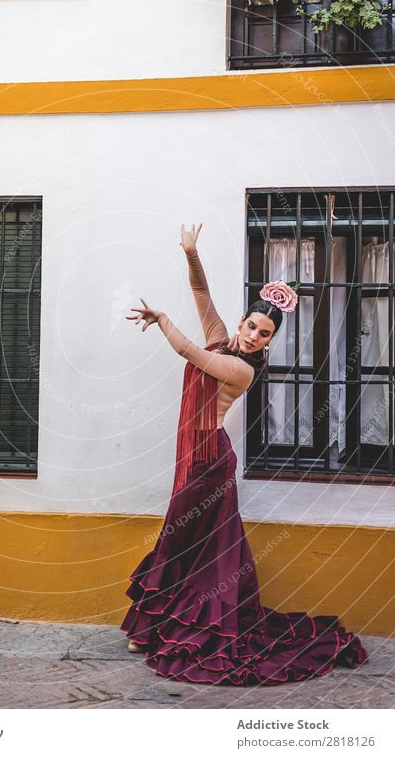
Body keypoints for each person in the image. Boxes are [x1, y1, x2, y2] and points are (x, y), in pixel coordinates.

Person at [120, 223, 368, 686]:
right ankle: (153, 628)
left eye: (265, 333)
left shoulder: (240, 369)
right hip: (197, 458)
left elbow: (188, 351)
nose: (255, 335)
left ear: (270, 342)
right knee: (186, 547)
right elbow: (201, 289)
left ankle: (162, 629)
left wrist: (162, 319)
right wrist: (192, 252)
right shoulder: (223, 336)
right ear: (241, 323)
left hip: (210, 462)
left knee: (186, 546)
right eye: (252, 325)